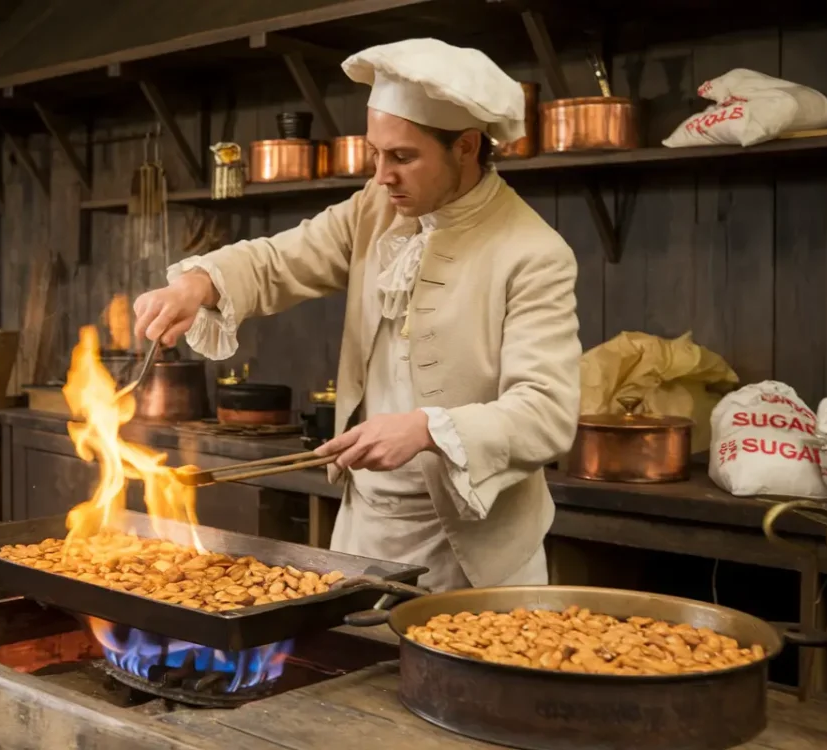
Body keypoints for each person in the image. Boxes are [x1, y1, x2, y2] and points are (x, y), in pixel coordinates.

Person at [133, 38, 581, 591]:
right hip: (365, 527)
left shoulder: (534, 253)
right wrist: (199, 284)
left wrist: (426, 429)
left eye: (403, 157)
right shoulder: (375, 206)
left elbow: (547, 413)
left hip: (474, 550)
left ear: (465, 146)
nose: (382, 174)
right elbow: (281, 258)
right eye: (376, 153)